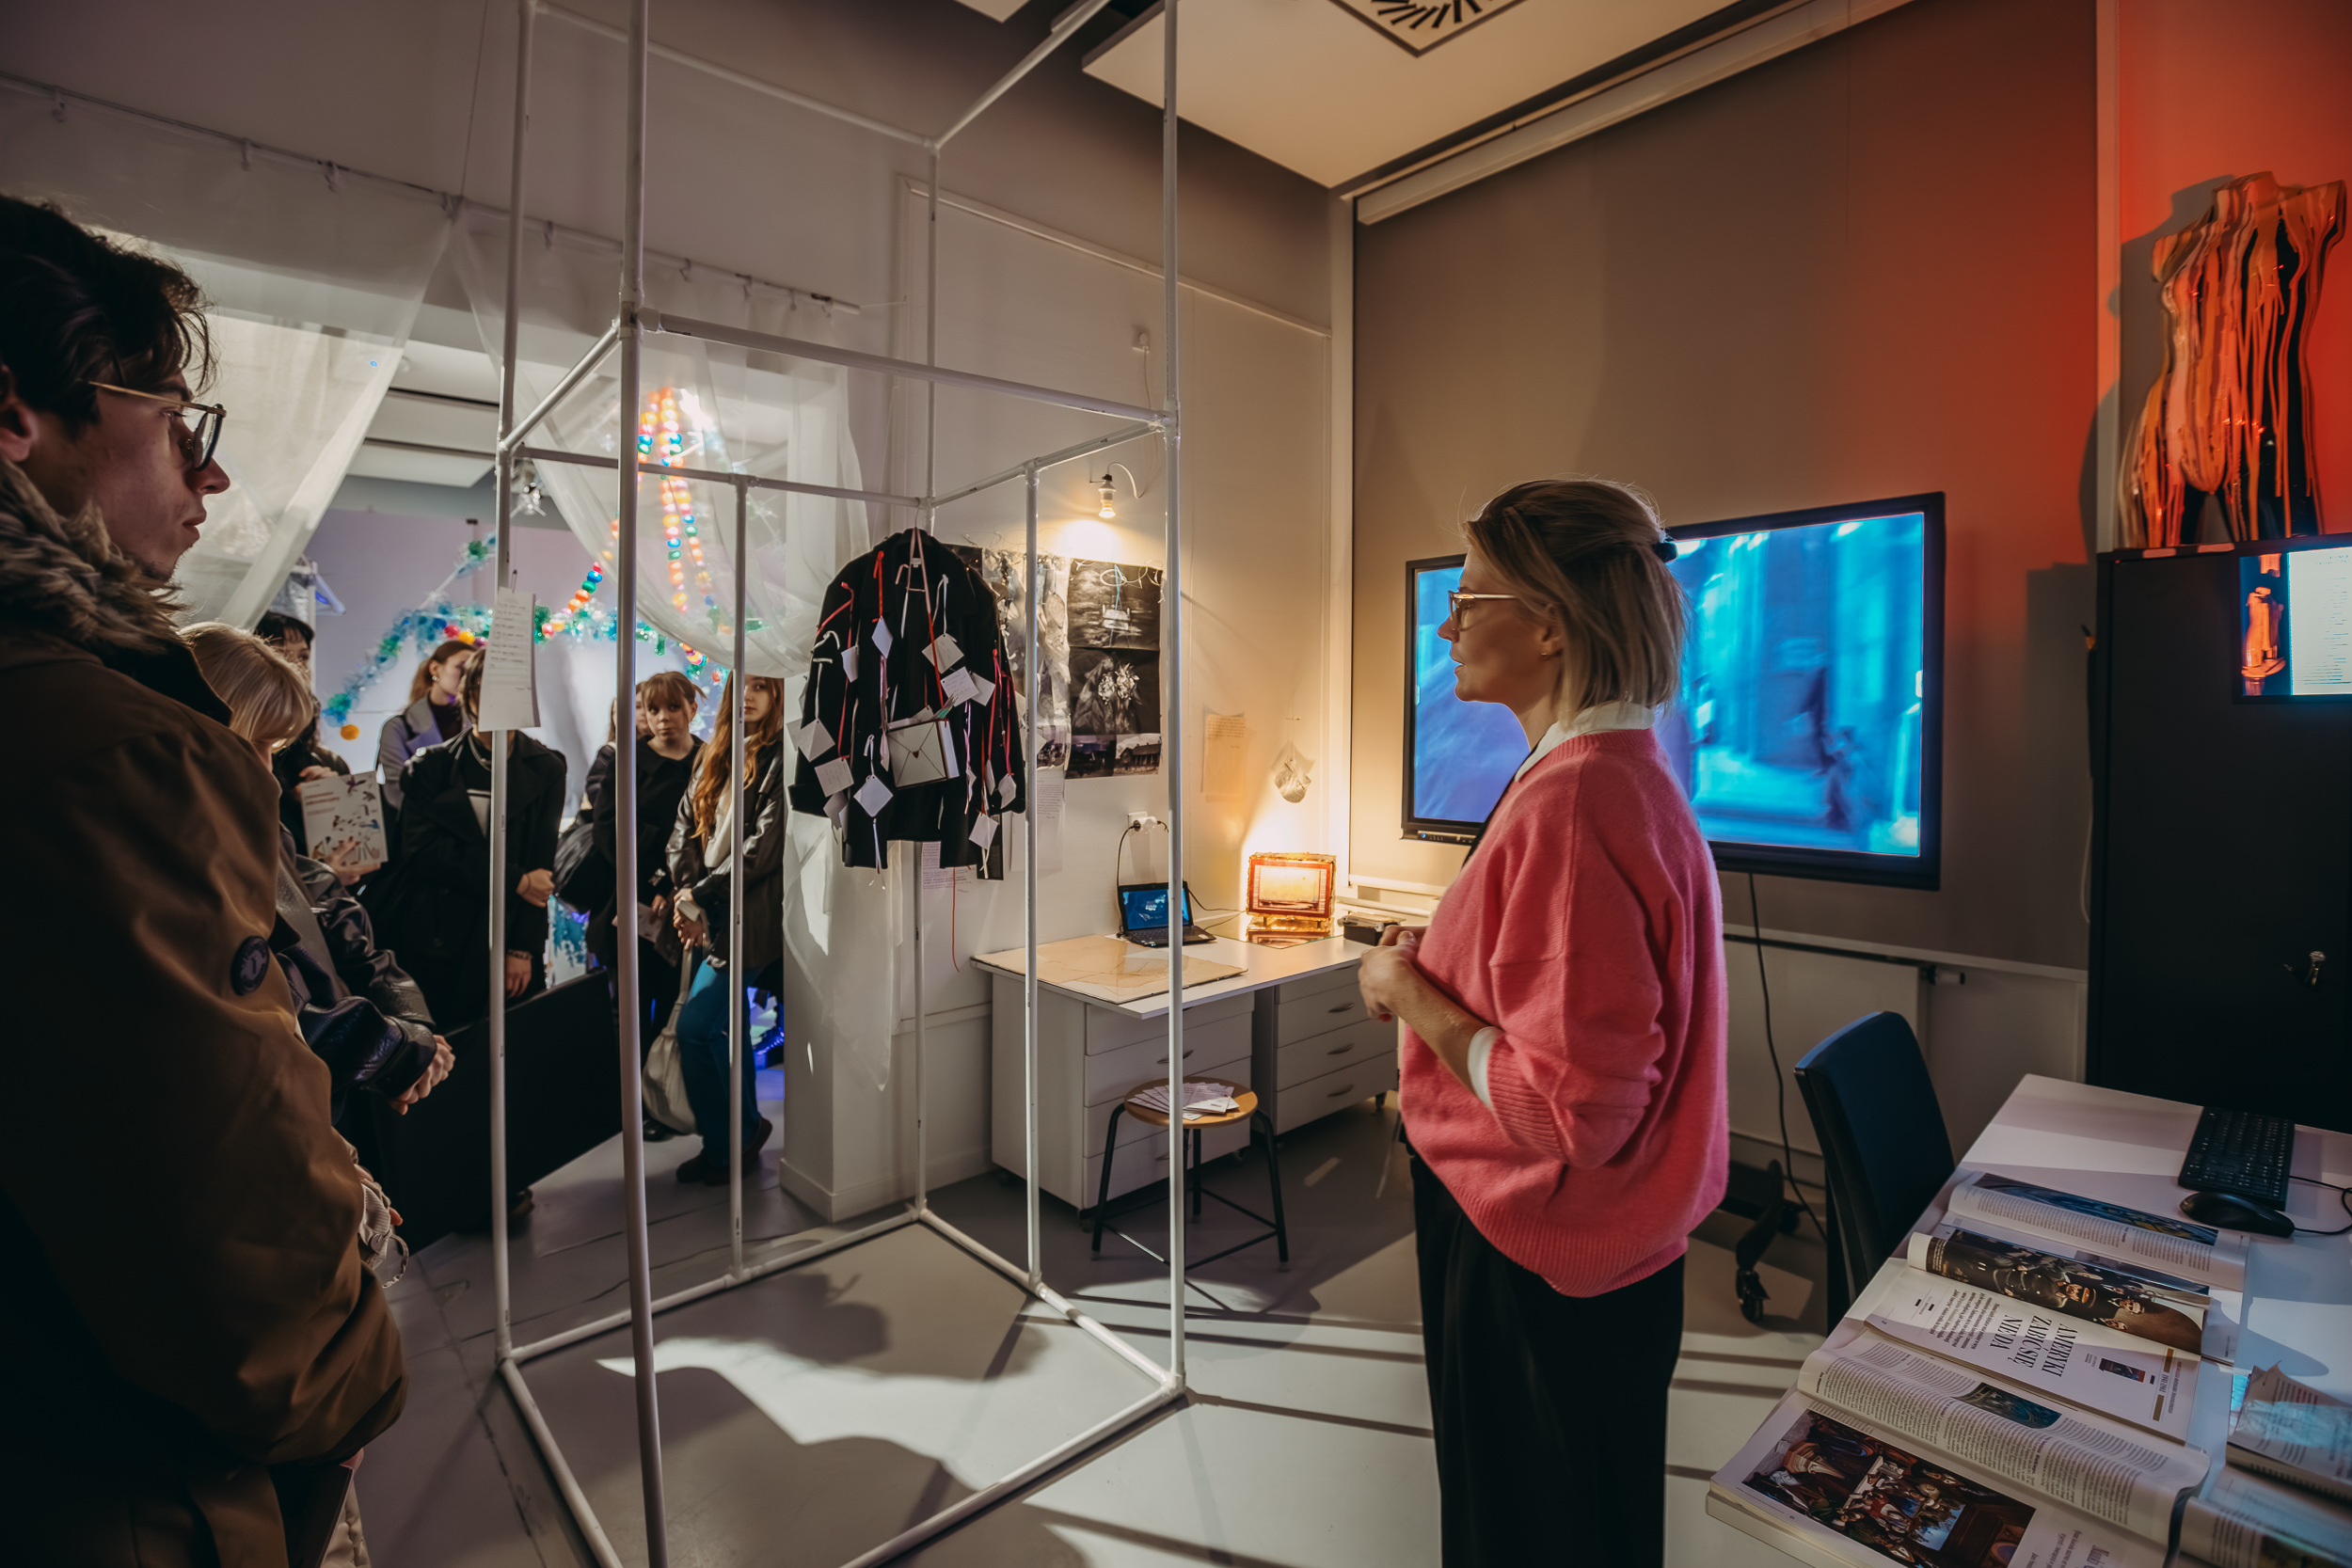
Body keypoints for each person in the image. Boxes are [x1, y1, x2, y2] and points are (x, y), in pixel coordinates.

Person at [0, 194, 405, 1565]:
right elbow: (224, 1202)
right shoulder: (116, 749)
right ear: (17, 415)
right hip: (119, 1475)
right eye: (179, 426)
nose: (210, 477)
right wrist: (353, 1378)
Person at [1356, 478, 1725, 1567]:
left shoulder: (1574, 805)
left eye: (1468, 598)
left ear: (1552, 623)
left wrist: (1407, 991)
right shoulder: (1617, 774)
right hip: (1598, 1257)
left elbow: (1577, 1114)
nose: (1445, 626)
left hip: (1536, 1257)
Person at [186, 621, 454, 1131]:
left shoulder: (255, 815)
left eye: (274, 749)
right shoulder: (188, 842)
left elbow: (329, 908)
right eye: (254, 744)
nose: (266, 770)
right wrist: (400, 1047)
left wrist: (408, 1022)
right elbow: (270, 998)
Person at [366, 647, 566, 1030]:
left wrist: (523, 948)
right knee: (442, 1038)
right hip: (438, 928)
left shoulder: (546, 767)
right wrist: (515, 880)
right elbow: (421, 851)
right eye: (483, 688)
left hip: (506, 928)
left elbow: (541, 868)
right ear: (468, 693)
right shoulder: (431, 766)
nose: (496, 700)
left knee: (511, 1039)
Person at [664, 673, 785, 1183]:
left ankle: (729, 1141)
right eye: (743, 685)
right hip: (708, 908)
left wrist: (701, 896)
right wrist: (688, 897)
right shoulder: (714, 752)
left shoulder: (780, 754)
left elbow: (764, 848)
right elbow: (683, 831)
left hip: (749, 914)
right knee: (724, 1030)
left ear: (777, 694)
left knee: (696, 1029)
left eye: (762, 686)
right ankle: (741, 1133)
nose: (749, 696)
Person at [591, 672, 703, 1043]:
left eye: (673, 707)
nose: (663, 717)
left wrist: (676, 887)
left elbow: (713, 835)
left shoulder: (709, 760)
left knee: (676, 1015)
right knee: (628, 1017)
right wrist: (652, 882)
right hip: (632, 904)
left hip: (688, 904)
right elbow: (609, 831)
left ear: (692, 709)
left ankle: (660, 1083)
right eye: (653, 709)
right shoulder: (627, 759)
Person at [256, 610, 354, 856]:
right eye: (279, 654)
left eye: (303, 657)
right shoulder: (233, 751)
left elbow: (354, 854)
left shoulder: (326, 762)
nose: (296, 668)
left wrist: (329, 805)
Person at [377, 636, 471, 820]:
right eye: (460, 667)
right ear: (435, 668)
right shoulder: (398, 728)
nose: (467, 676)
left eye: (473, 670)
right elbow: (397, 792)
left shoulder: (480, 724)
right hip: (422, 830)